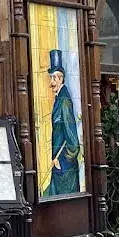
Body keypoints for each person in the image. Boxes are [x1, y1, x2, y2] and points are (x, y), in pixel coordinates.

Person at [44, 49, 80, 196]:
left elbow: (73, 140)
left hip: (65, 170)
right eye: (51, 78)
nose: (51, 82)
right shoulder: (59, 99)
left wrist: (63, 160)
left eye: (53, 78)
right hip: (59, 165)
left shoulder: (64, 101)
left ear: (61, 78)